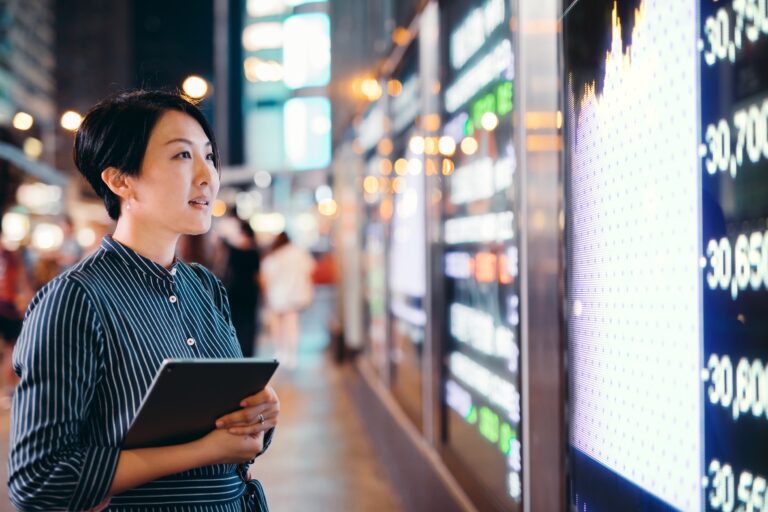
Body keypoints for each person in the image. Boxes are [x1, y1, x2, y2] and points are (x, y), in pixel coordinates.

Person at [7, 90, 280, 511]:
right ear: (120, 180)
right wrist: (207, 450)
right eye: (182, 157)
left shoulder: (204, 288)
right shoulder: (76, 299)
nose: (208, 175)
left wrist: (259, 414)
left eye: (209, 155)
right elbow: (39, 479)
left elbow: (236, 442)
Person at [261, 232, 315, 369]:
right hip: (295, 295)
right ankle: (292, 354)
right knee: (292, 325)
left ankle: (281, 352)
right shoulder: (299, 252)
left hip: (277, 295)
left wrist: (265, 296)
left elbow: (265, 276)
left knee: (277, 326)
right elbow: (311, 269)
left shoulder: (274, 255)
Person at [219, 217, 261, 358]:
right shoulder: (255, 252)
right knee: (250, 322)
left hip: (235, 290)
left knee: (235, 322)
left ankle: (236, 350)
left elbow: (226, 271)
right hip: (250, 291)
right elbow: (257, 275)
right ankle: (249, 353)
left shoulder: (233, 250)